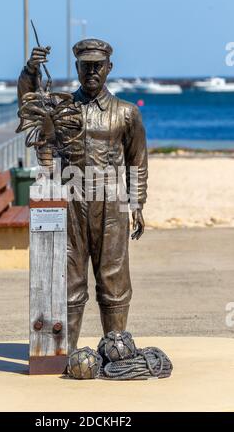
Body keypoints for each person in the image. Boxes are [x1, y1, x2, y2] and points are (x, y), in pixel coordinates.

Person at [17, 39, 148, 352]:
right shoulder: (63, 109)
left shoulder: (126, 114)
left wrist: (137, 204)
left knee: (114, 278)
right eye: (85, 65)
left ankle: (115, 348)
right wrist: (30, 71)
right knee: (71, 279)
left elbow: (137, 162)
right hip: (72, 202)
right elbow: (30, 105)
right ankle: (67, 350)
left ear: (109, 68)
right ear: (76, 67)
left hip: (113, 205)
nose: (92, 71)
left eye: (97, 65)